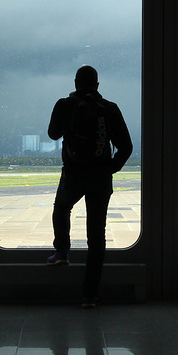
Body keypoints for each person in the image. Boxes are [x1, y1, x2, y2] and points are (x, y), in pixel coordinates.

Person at [46, 65, 133, 308]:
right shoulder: (110, 109)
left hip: (73, 173)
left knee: (61, 207)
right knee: (96, 236)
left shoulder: (64, 104)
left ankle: (62, 251)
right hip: (100, 178)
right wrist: (110, 168)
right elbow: (126, 147)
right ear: (97, 85)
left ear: (75, 83)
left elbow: (53, 134)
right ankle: (89, 295)